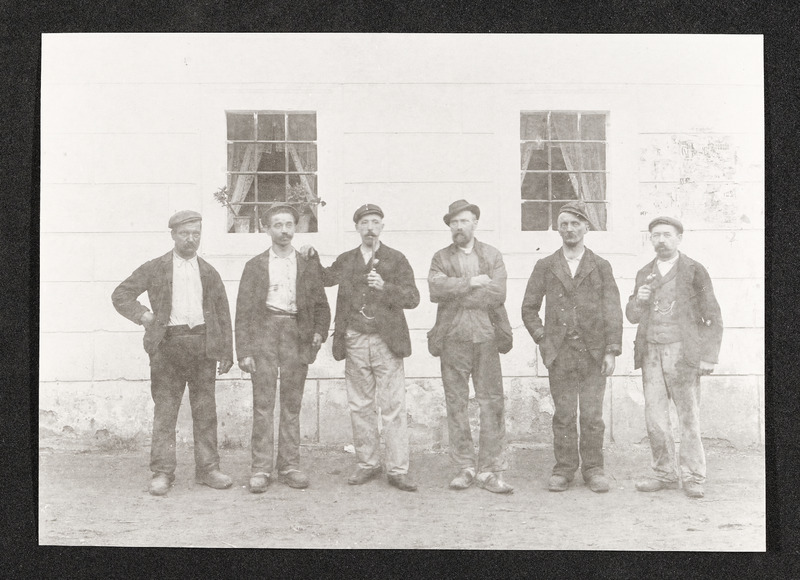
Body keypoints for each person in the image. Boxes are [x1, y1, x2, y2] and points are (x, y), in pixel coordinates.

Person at [111, 210, 234, 496]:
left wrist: (226, 351)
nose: (191, 239)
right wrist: (143, 315)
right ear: (173, 235)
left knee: (205, 412)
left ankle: (208, 469)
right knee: (165, 412)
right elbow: (121, 295)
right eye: (185, 233)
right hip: (168, 347)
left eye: (196, 234)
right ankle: (163, 472)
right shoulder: (156, 267)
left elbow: (222, 313)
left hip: (203, 346)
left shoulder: (209, 272)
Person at [305, 204, 420, 492]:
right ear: (357, 227)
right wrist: (312, 255)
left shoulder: (396, 259)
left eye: (375, 222)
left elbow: (413, 298)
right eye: (365, 222)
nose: (370, 227)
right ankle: (368, 463)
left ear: (382, 226)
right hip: (355, 339)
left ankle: (397, 469)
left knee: (393, 406)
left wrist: (385, 286)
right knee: (360, 405)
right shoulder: (347, 260)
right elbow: (325, 278)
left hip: (387, 341)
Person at [521, 201, 623, 494]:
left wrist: (610, 350)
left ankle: (593, 469)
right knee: (564, 415)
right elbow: (529, 308)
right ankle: (564, 469)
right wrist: (543, 337)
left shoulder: (600, 266)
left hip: (593, 353)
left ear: (586, 227)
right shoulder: (546, 265)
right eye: (564, 224)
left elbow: (613, 311)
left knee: (592, 416)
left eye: (575, 223)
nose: (569, 229)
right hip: (560, 353)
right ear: (558, 229)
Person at [235, 205, 331, 493]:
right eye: (278, 225)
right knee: (263, 403)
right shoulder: (254, 265)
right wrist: (244, 350)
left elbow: (321, 305)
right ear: (267, 229)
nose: (284, 230)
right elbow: (243, 311)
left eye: (289, 224)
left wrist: (318, 331)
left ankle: (289, 465)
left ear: (295, 228)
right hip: (264, 331)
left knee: (291, 403)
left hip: (296, 333)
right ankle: (261, 468)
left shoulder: (306, 264)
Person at [626, 216, 723, 499]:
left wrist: (708, 357)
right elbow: (632, 316)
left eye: (667, 235)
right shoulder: (644, 272)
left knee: (688, 416)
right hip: (651, 352)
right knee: (655, 417)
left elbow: (712, 314)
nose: (661, 240)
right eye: (656, 235)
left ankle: (693, 476)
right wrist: (639, 299)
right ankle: (665, 474)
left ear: (679, 238)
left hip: (683, 353)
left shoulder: (694, 270)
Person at [428, 199, 514, 494]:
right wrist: (473, 282)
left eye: (464, 221)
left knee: (492, 403)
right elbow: (435, 289)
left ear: (475, 223)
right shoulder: (441, 257)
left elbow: (497, 293)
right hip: (453, 338)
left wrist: (457, 290)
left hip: (486, 337)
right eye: (454, 222)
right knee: (456, 403)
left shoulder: (491, 255)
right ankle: (464, 467)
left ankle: (489, 470)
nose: (459, 227)